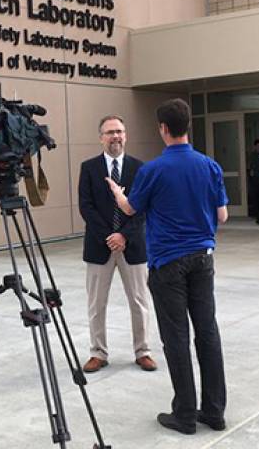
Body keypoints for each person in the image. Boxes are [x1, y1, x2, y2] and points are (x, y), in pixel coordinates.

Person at [105, 98, 229, 436]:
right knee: (208, 333)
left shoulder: (153, 170)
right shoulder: (209, 166)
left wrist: (117, 192)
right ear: (187, 125)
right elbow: (222, 215)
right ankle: (215, 412)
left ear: (163, 128)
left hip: (168, 264)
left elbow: (130, 209)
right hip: (203, 259)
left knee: (176, 338)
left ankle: (185, 414)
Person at [78, 115, 156, 373]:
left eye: (120, 131)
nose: (116, 136)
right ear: (101, 137)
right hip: (99, 247)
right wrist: (109, 237)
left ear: (126, 135)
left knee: (139, 301)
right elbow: (86, 207)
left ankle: (143, 351)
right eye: (110, 132)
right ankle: (98, 353)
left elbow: (143, 209)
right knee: (96, 303)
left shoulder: (140, 168)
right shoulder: (88, 168)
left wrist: (124, 235)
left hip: (132, 246)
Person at [247, 139, 259, 217]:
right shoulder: (252, 155)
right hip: (254, 179)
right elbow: (249, 165)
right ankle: (256, 213)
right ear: (255, 146)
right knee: (255, 196)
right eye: (257, 146)